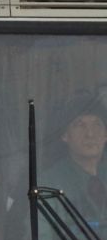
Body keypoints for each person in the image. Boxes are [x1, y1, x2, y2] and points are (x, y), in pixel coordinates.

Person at [40, 97, 107, 226]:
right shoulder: (49, 183)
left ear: (106, 135)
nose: (90, 134)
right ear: (65, 135)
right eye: (80, 125)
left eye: (97, 124)